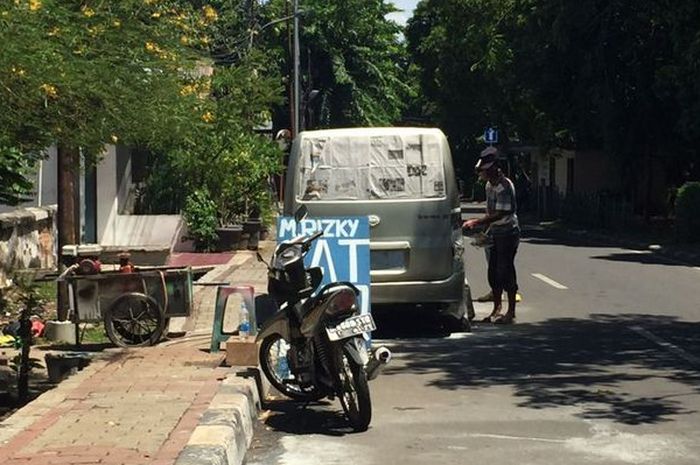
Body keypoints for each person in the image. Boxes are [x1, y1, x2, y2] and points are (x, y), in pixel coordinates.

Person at [463, 147, 520, 324]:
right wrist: (483, 230)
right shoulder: (489, 186)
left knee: (505, 270)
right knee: (493, 271)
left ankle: (510, 312)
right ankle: (496, 309)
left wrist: (477, 222)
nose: (482, 174)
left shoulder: (504, 186)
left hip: (508, 233)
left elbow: (501, 213)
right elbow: (490, 212)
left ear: (494, 168)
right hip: (495, 232)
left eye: (485, 170)